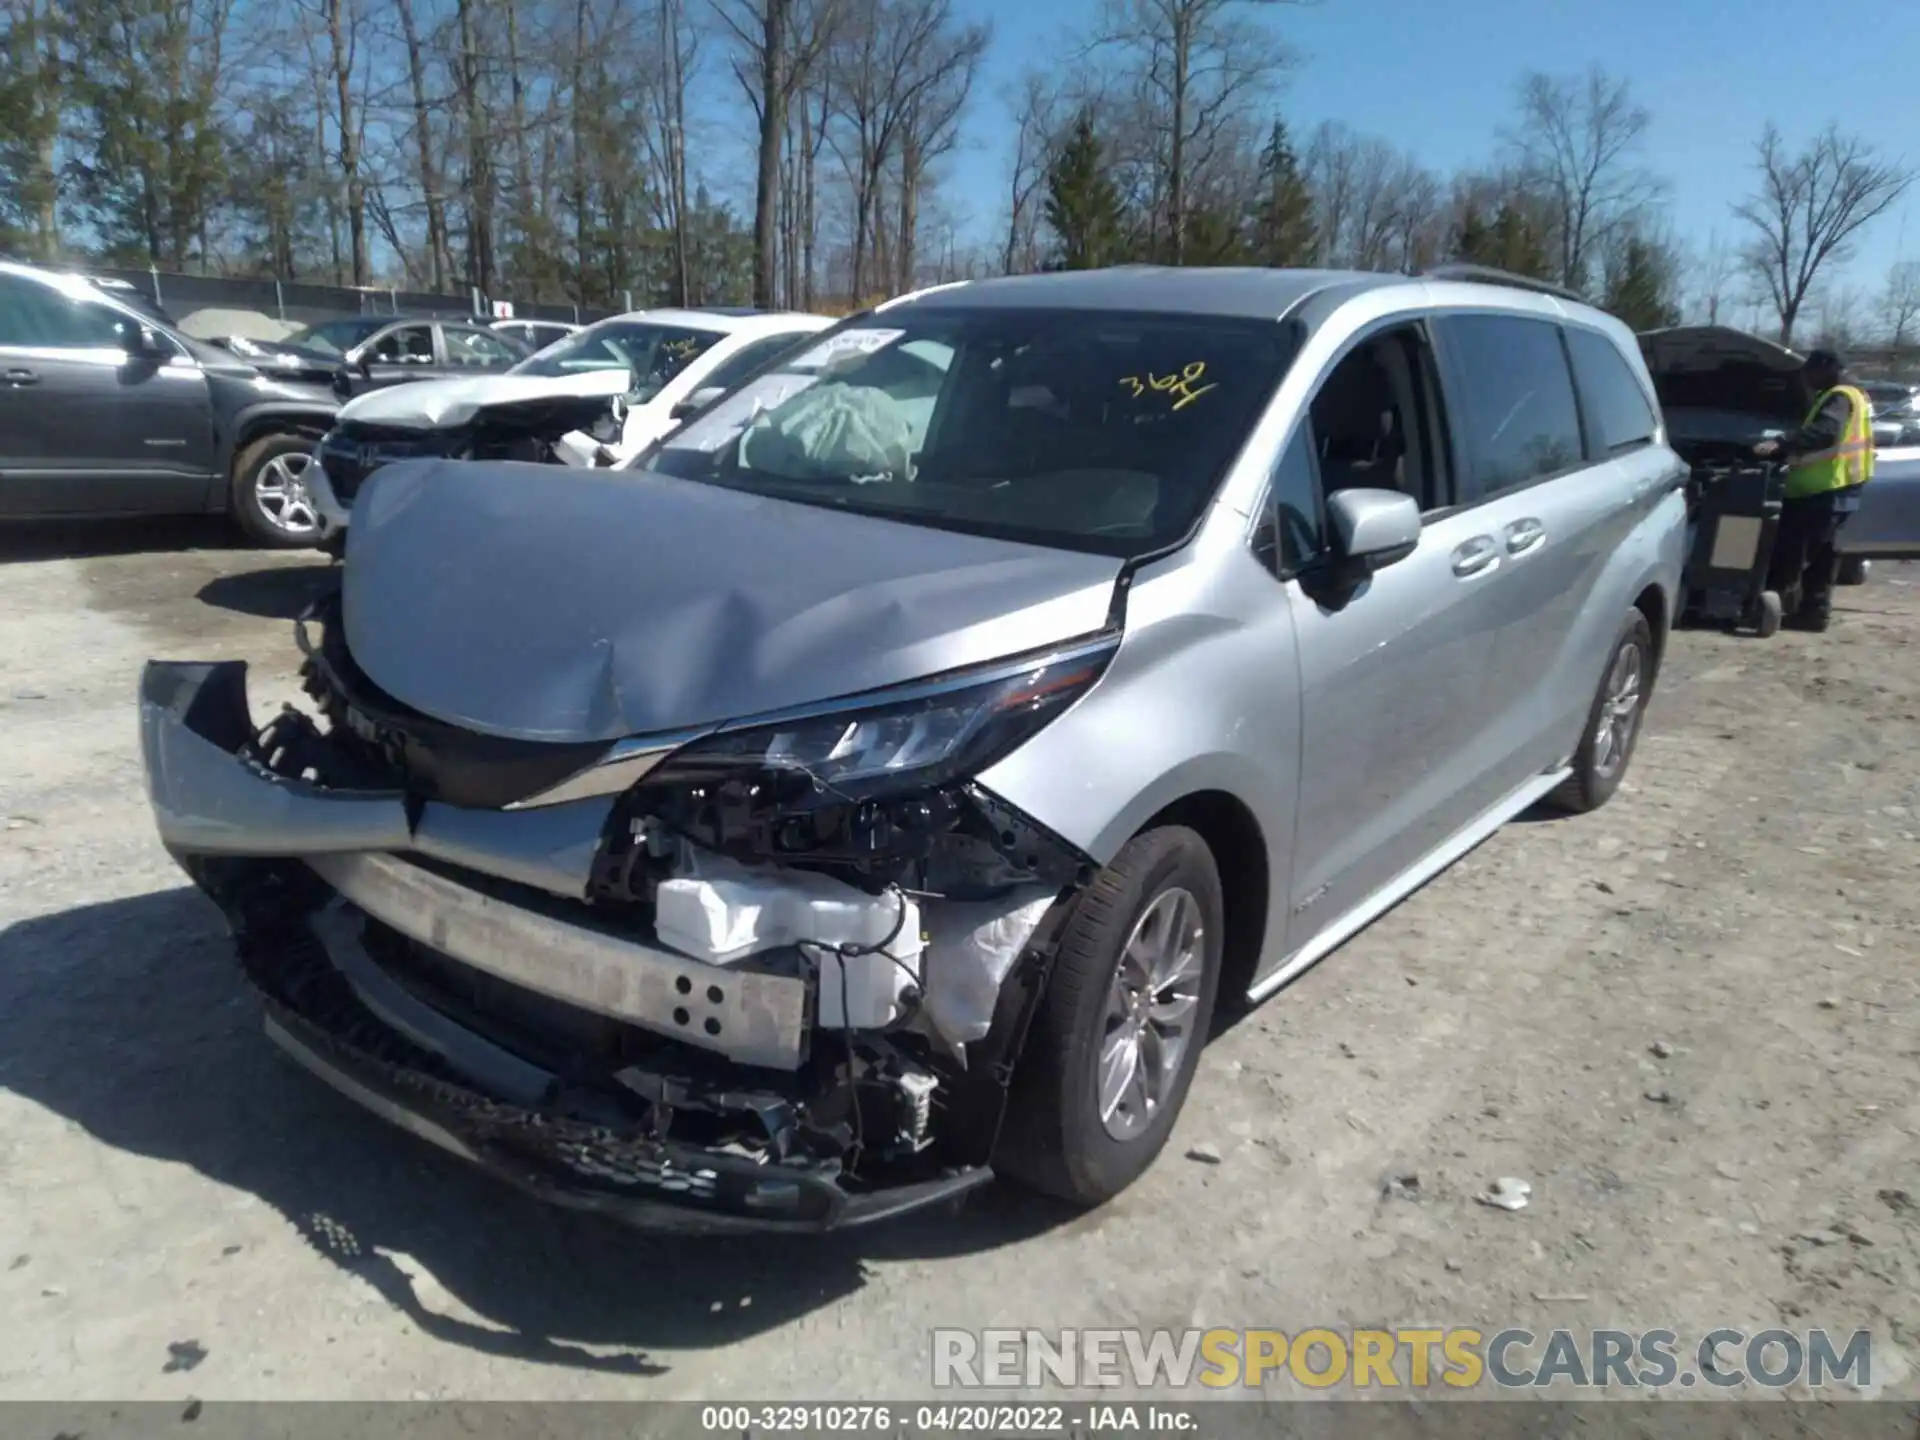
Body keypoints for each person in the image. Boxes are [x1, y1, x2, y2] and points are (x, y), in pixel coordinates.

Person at [1752, 349, 1875, 631]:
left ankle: (1766, 609)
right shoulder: (1858, 394)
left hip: (1820, 490)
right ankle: (1814, 614)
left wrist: (1781, 444)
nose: (1807, 378)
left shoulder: (1840, 396)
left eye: (1811, 372)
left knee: (1792, 553)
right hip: (1842, 488)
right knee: (1823, 556)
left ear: (1828, 367)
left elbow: (1826, 431)